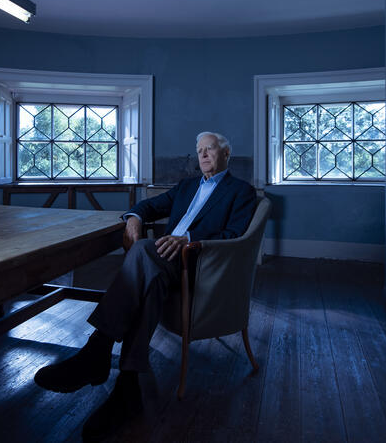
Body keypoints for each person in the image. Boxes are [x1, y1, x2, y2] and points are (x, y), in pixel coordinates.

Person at [34, 131, 257, 441]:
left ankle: (97, 349)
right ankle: (127, 387)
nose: (204, 155)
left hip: (199, 264)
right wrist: (135, 216)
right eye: (200, 150)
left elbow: (235, 236)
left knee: (141, 251)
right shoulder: (187, 186)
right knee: (149, 279)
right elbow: (149, 206)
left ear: (226, 154)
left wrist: (188, 240)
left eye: (211, 149)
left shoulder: (241, 191)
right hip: (162, 262)